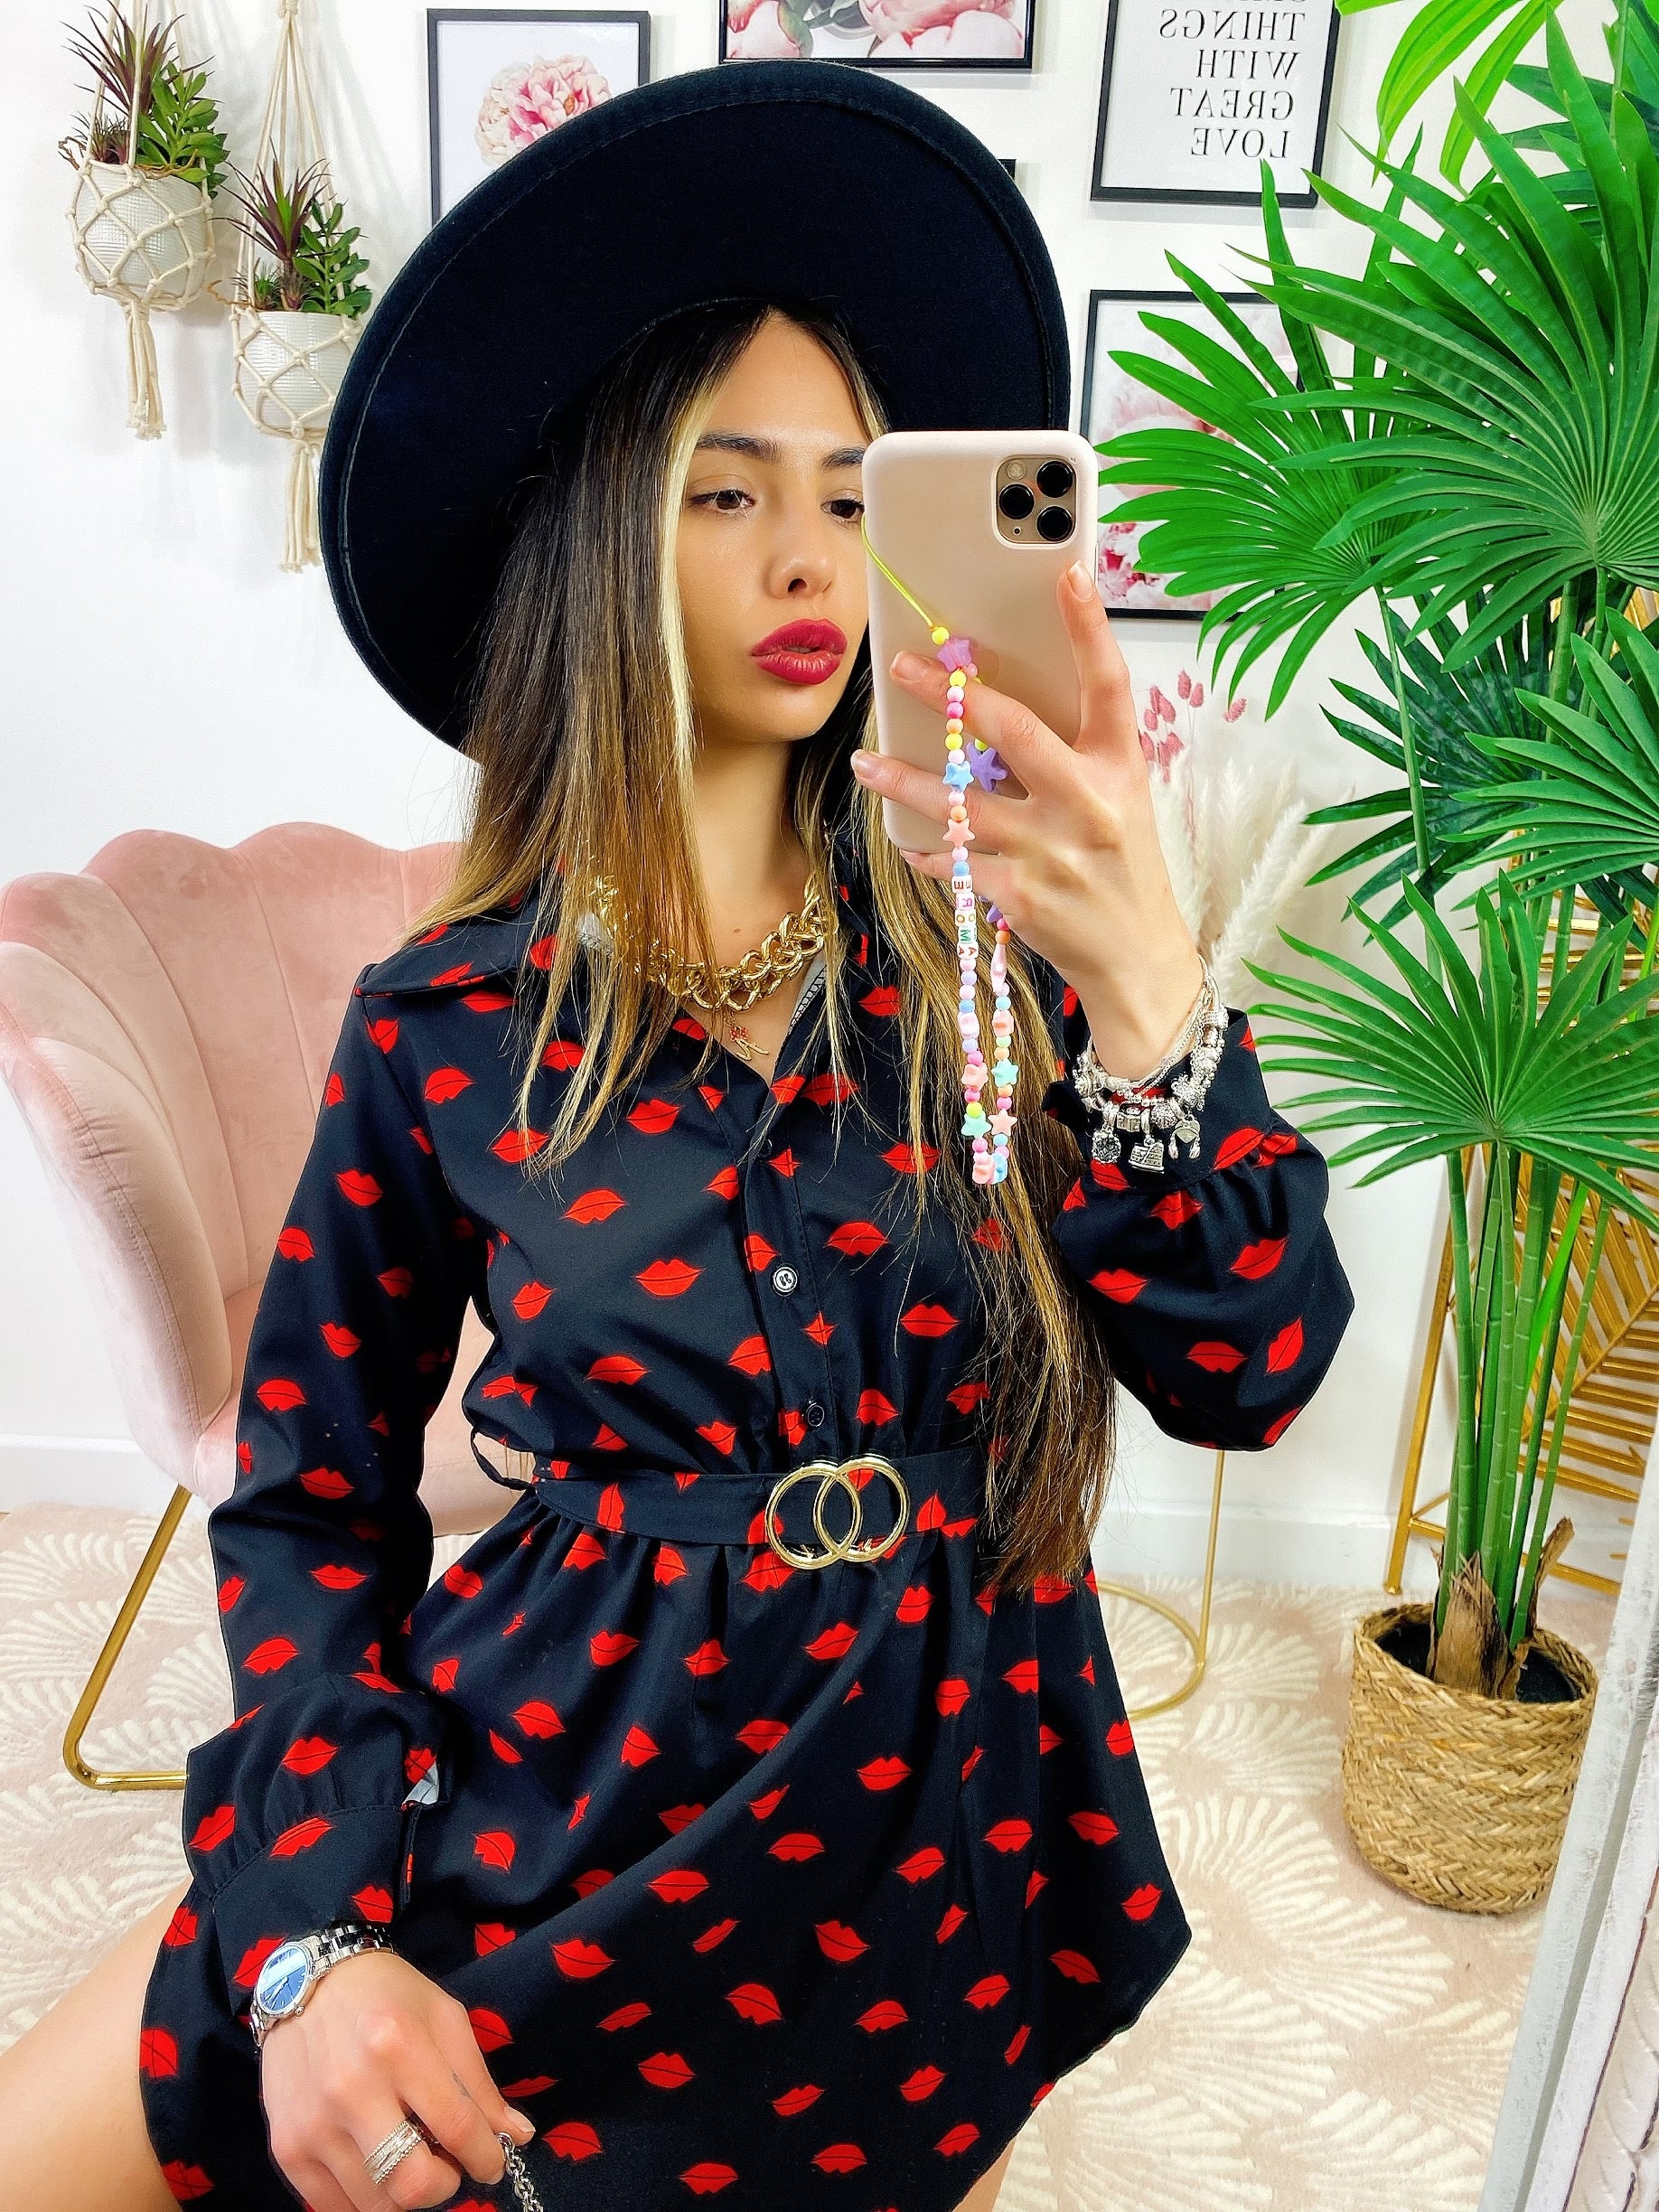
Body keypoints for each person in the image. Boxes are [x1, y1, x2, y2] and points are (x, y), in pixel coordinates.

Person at [0, 60, 1355, 2212]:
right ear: (601, 534)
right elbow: (309, 1504)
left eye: (853, 494)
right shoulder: (445, 1025)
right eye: (726, 494)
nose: (809, 556)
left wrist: (1154, 986)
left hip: (934, 1836)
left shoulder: (997, 971)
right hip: (557, 1802)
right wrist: (315, 1943)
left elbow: (1253, 1371)